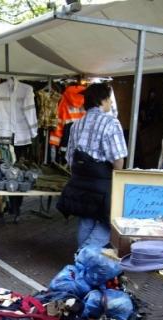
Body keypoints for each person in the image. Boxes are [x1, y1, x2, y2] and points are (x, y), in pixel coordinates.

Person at [57, 83, 127, 249]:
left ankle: (83, 258)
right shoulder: (111, 123)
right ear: (102, 100)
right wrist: (118, 180)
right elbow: (118, 158)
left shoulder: (76, 124)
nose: (111, 103)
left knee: (87, 219)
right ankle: (84, 254)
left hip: (80, 182)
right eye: (109, 99)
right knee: (109, 221)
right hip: (102, 184)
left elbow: (70, 158)